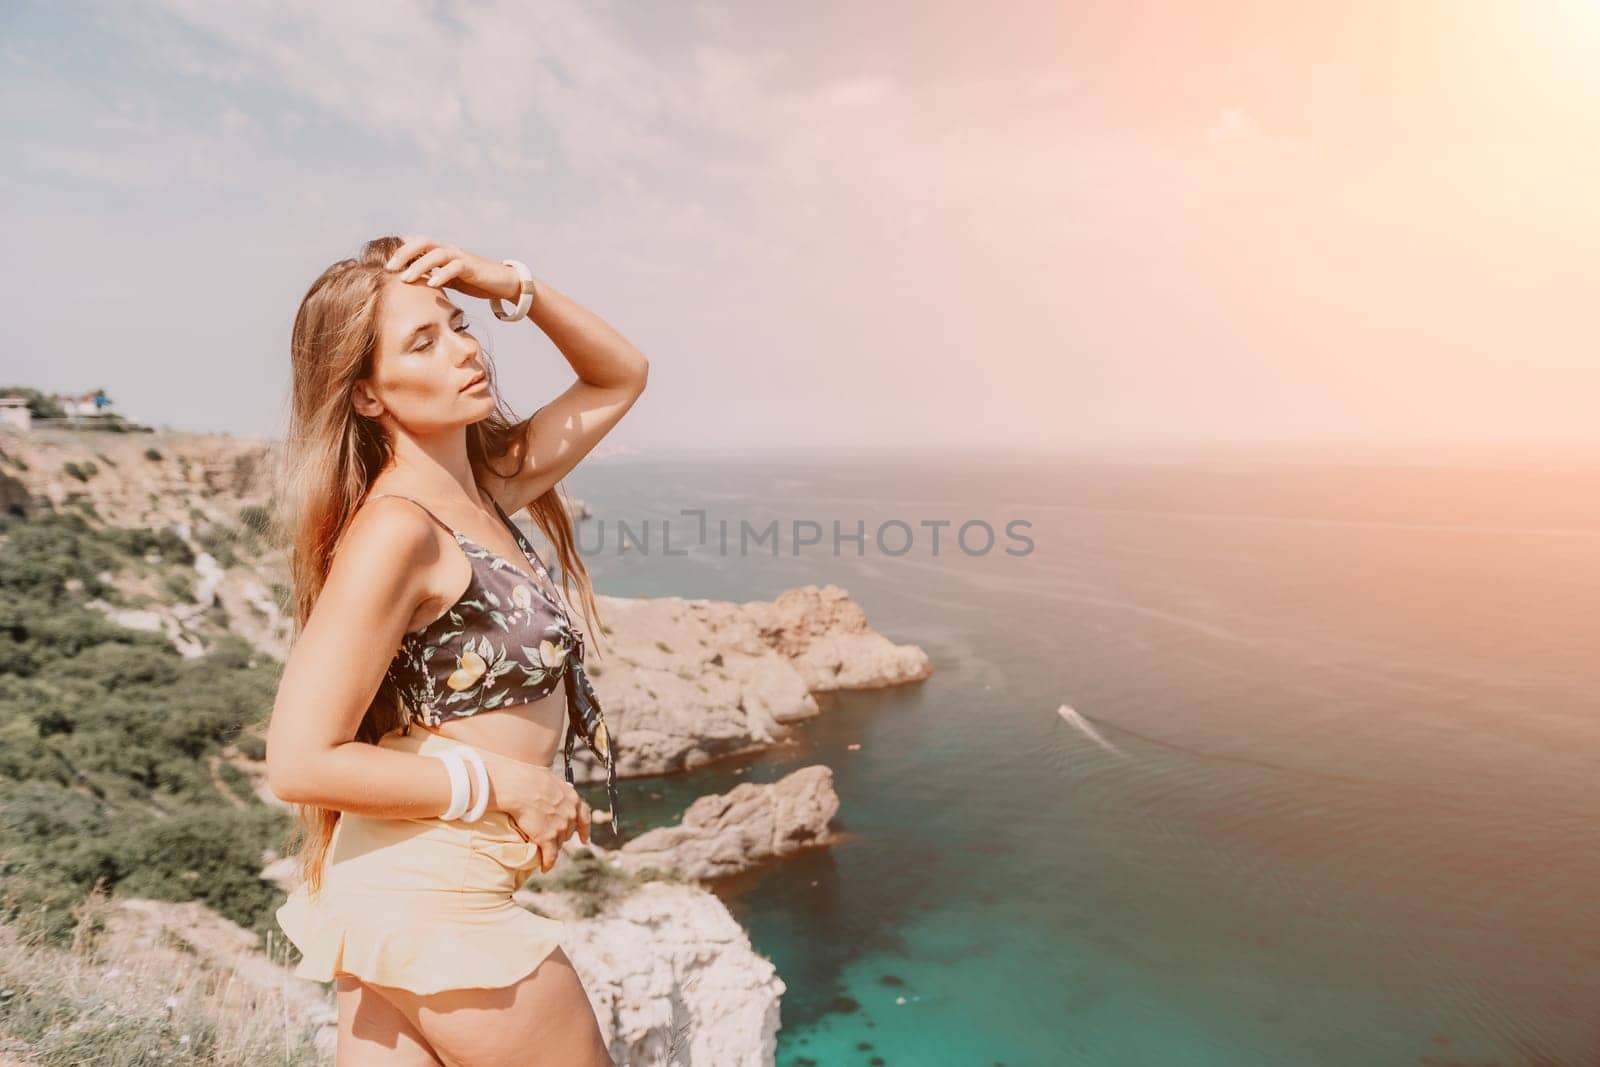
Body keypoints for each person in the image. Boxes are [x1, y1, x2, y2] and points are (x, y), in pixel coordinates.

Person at [265, 234, 648, 1065]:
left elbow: (619, 374)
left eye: (459, 323)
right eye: (423, 340)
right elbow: (297, 761)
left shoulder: (487, 486)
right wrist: (511, 782)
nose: (466, 349)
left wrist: (512, 282)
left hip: (395, 891)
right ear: (367, 396)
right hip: (440, 899)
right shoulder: (399, 530)